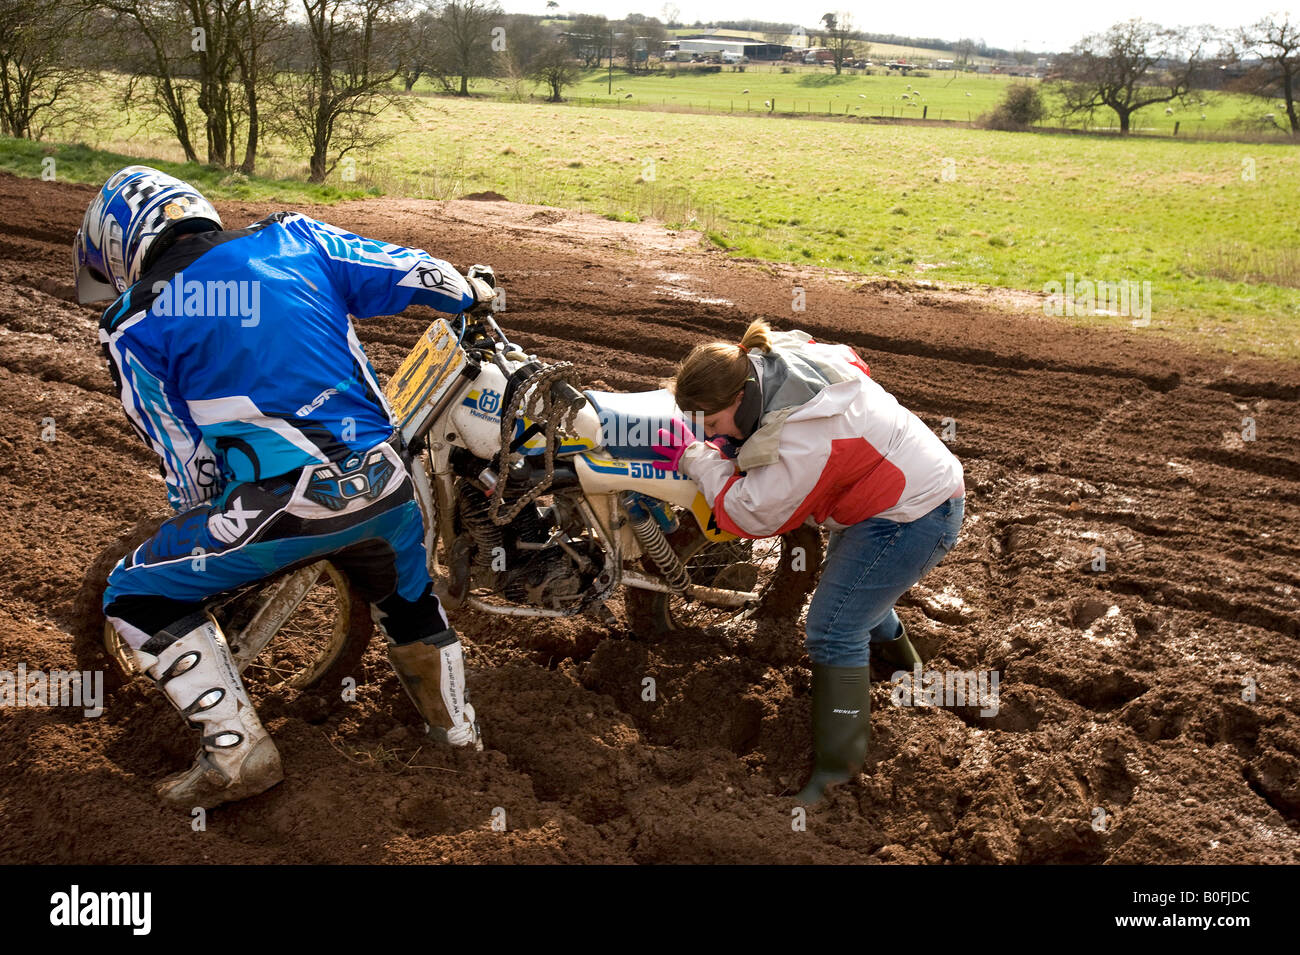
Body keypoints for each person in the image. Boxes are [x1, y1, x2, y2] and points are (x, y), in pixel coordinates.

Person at [73, 165, 497, 809]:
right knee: (411, 607)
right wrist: (468, 291)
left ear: (120, 242)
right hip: (389, 488)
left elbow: (186, 460)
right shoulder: (299, 239)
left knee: (134, 593)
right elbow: (418, 274)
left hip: (285, 505)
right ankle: (458, 739)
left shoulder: (134, 324)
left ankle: (236, 754)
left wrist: (207, 529)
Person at [652, 319, 965, 804]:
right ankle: (911, 672)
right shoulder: (771, 357)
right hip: (897, 491)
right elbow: (850, 357)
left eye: (710, 424)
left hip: (915, 515)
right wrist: (722, 440)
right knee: (861, 597)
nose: (707, 432)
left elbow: (750, 512)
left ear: (739, 398)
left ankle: (836, 773)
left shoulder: (804, 436)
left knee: (833, 627)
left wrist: (695, 457)